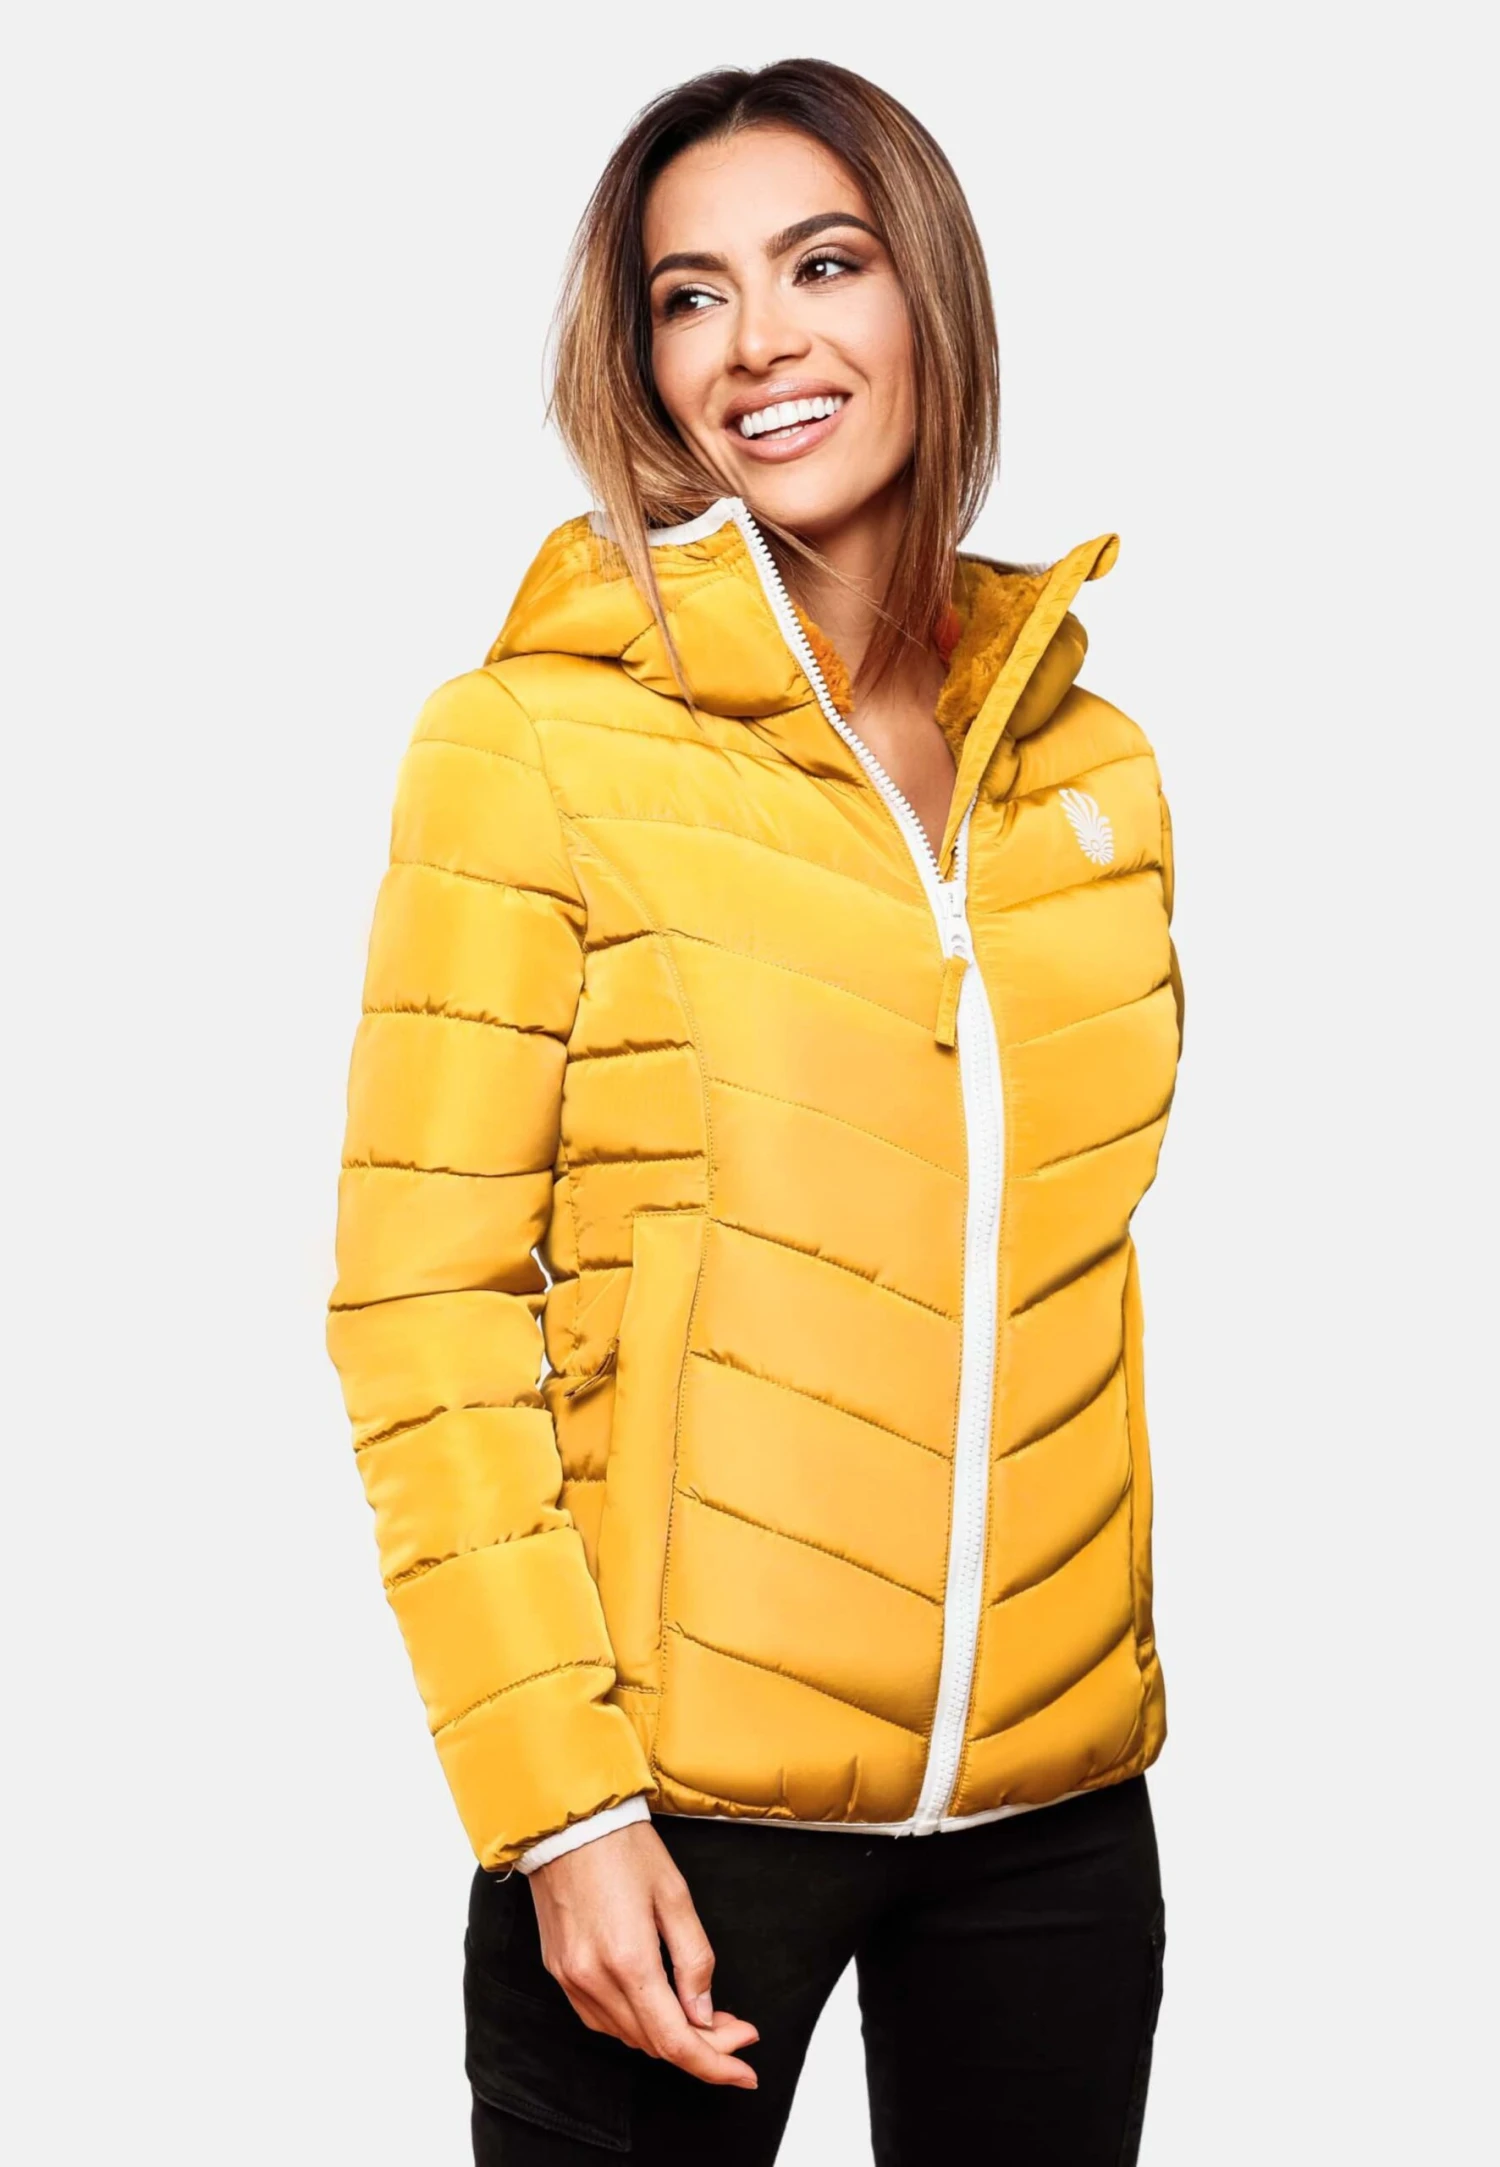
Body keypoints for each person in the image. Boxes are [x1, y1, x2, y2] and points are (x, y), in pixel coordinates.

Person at [327, 56, 1183, 2167]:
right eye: (690, 296)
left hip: (1058, 1813)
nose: (759, 343)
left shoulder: (1091, 773)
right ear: (641, 366)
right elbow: (423, 1306)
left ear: (929, 295)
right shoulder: (530, 748)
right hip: (673, 1821)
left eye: (823, 264)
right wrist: (560, 1809)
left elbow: (1069, 1267)